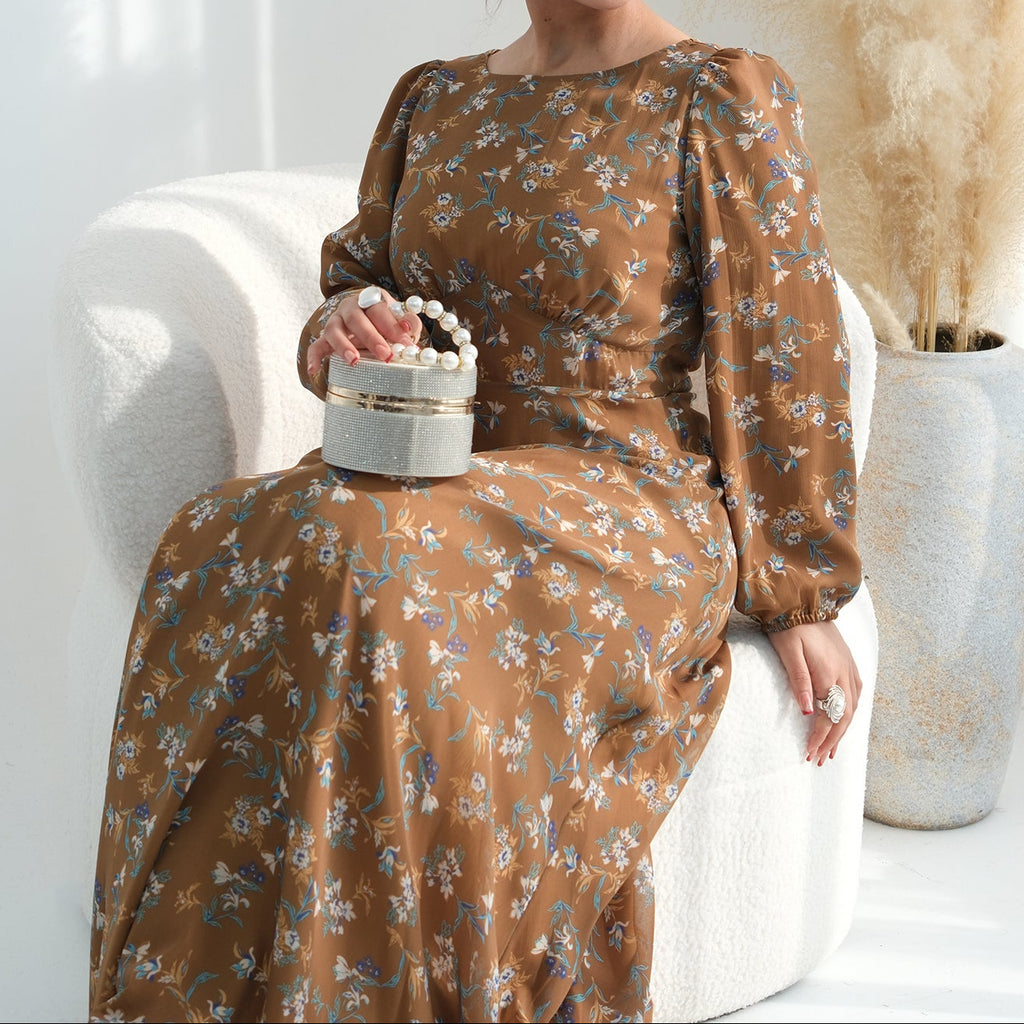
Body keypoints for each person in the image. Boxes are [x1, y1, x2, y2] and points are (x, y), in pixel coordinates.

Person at [88, 1, 863, 1020]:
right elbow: (357, 279)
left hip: (621, 498)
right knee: (218, 536)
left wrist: (799, 588)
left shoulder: (714, 94)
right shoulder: (433, 97)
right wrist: (343, 325)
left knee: (365, 546)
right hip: (429, 472)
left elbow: (782, 348)